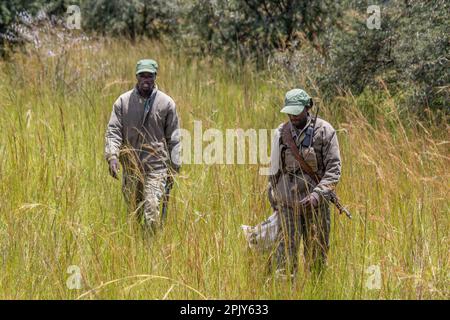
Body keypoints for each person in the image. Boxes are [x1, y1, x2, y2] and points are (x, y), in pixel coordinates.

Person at [268, 88, 341, 276]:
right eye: (289, 112)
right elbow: (273, 170)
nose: (293, 116)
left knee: (317, 256)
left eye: (297, 111)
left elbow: (333, 170)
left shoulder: (325, 131)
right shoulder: (280, 133)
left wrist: (317, 195)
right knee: (284, 256)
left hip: (316, 205)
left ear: (307, 107)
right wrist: (274, 199)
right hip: (287, 204)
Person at [104, 59, 181, 232]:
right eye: (142, 75)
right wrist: (113, 156)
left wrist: (174, 169)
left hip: (156, 167)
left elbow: (174, 138)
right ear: (136, 77)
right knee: (134, 211)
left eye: (150, 76)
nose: (146, 79)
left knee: (152, 209)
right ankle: (138, 246)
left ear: (155, 77)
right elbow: (113, 131)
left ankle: (151, 247)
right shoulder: (123, 102)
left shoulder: (166, 104)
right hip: (131, 166)